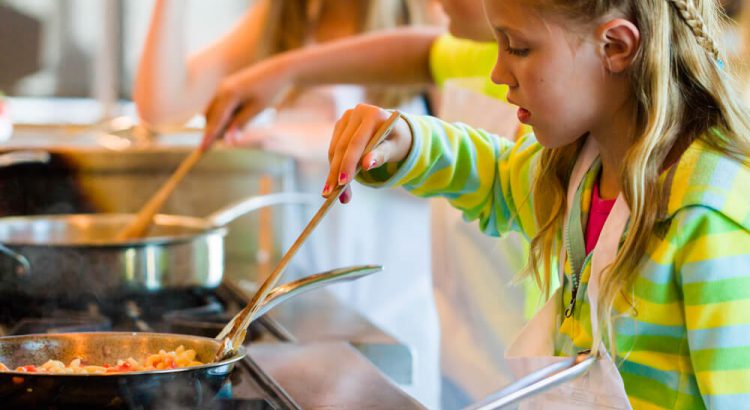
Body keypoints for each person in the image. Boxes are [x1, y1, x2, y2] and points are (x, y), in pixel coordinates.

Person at [320, 0, 750, 408]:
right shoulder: (586, 168)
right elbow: (499, 177)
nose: (497, 72)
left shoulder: (709, 218)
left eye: (519, 48)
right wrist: (410, 142)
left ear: (616, 47)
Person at [134, 1, 443, 407]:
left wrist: (320, 140)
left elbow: (466, 153)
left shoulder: (427, 14)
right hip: (302, 312)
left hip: (394, 311)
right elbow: (163, 106)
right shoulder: (284, 14)